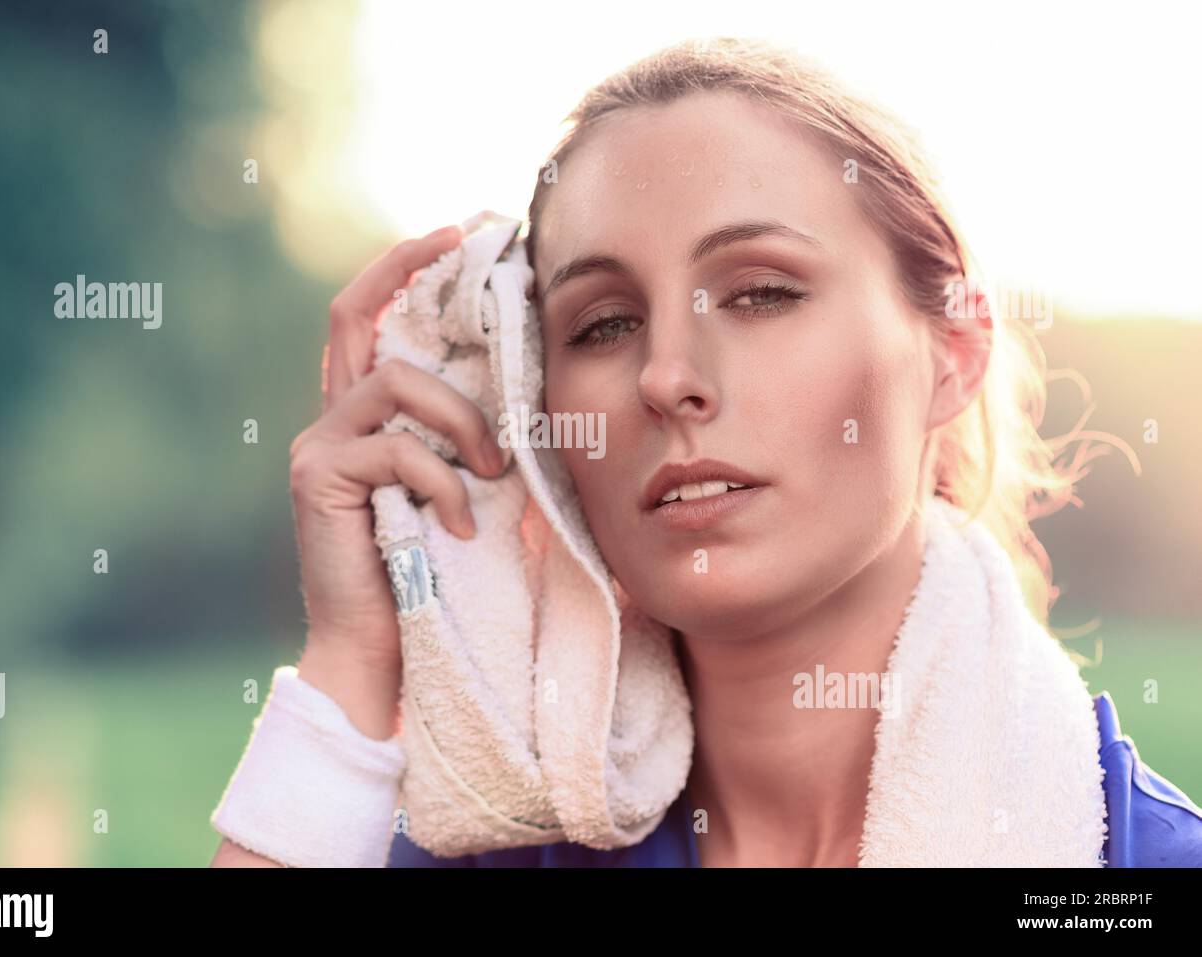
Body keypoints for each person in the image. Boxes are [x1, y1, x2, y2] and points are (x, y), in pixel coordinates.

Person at [209, 37, 1202, 868]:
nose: (664, 375)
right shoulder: (483, 850)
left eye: (760, 292)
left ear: (953, 352)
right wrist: (356, 660)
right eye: (602, 323)